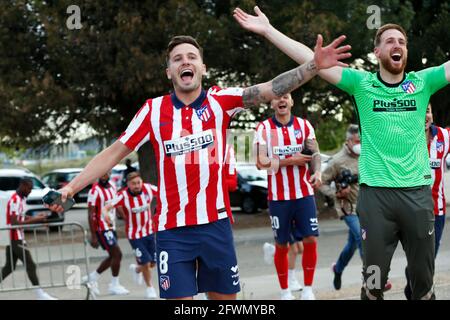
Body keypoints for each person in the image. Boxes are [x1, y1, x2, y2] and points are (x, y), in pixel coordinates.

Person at [46, 34, 350, 300]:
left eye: (191, 57)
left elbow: (272, 88)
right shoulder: (153, 111)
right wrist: (71, 187)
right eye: (177, 59)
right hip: (172, 231)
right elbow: (113, 152)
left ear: (202, 68)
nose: (184, 61)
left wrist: (313, 65)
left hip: (215, 226)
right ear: (169, 72)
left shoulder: (221, 101)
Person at [234, 6, 450, 300]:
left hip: (418, 196)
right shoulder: (362, 84)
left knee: (424, 283)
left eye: (401, 41)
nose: (396, 45)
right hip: (376, 199)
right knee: (374, 283)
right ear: (377, 52)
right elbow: (311, 60)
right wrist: (269, 30)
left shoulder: (422, 82)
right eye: (389, 41)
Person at [254, 93, 322, 300]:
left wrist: (317, 172)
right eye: (276, 98)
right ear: (272, 103)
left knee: (310, 239)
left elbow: (315, 154)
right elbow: (260, 162)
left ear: (291, 102)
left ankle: (308, 289)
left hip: (303, 195)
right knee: (282, 244)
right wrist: (290, 160)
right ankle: (285, 291)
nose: (281, 101)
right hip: (278, 197)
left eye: (285, 97)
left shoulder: (303, 125)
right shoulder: (263, 128)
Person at [404, 103, 450, 299]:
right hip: (408, 210)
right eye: (420, 110)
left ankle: (414, 285)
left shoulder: (444, 136)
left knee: (428, 259)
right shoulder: (402, 137)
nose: (424, 115)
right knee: (420, 261)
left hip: (436, 210)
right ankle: (421, 288)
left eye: (428, 110)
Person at [102, 171, 158, 299]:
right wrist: (105, 214)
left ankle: (137, 269)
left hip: (149, 231)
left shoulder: (148, 189)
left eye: (138, 182)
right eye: (133, 184)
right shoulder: (122, 195)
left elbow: (164, 192)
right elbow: (106, 207)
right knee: (145, 262)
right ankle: (150, 288)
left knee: (153, 262)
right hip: (135, 235)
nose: (137, 186)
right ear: (128, 184)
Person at [0, 178, 57, 300]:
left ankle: (40, 294)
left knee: (9, 268)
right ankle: (40, 295)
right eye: (29, 188)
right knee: (30, 265)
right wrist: (37, 219)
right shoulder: (15, 200)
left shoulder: (20, 199)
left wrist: (37, 218)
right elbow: (15, 223)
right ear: (23, 185)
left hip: (17, 238)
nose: (30, 191)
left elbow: (20, 218)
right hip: (16, 239)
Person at [83, 172, 129, 296]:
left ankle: (92, 277)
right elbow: (90, 214)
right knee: (117, 254)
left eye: (106, 172)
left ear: (109, 173)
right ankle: (114, 285)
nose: (104, 175)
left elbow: (115, 204)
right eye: (101, 173)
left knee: (114, 255)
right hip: (101, 228)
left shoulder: (113, 186)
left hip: (111, 226)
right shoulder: (94, 190)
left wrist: (125, 217)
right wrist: (93, 235)